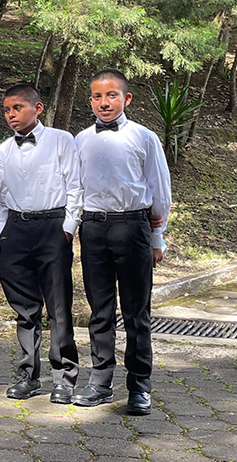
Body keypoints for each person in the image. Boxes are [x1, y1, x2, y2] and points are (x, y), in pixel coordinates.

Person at [72, 69, 171, 416]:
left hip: (132, 227)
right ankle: (100, 382)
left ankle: (139, 385)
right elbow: (75, 188)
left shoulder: (144, 137)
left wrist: (156, 237)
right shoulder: (81, 139)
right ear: (91, 101)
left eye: (111, 95)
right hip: (93, 228)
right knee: (99, 310)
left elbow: (159, 189)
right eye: (98, 96)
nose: (104, 102)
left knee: (135, 310)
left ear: (126, 99)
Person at [0, 83, 81, 403]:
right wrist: (0, 232)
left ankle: (64, 377)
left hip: (52, 227)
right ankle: (28, 375)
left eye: (17, 108)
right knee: (24, 308)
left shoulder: (62, 140)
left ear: (38, 108)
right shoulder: (2, 151)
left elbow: (75, 185)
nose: (11, 115)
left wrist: (68, 228)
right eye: (6, 110)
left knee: (58, 306)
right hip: (16, 230)